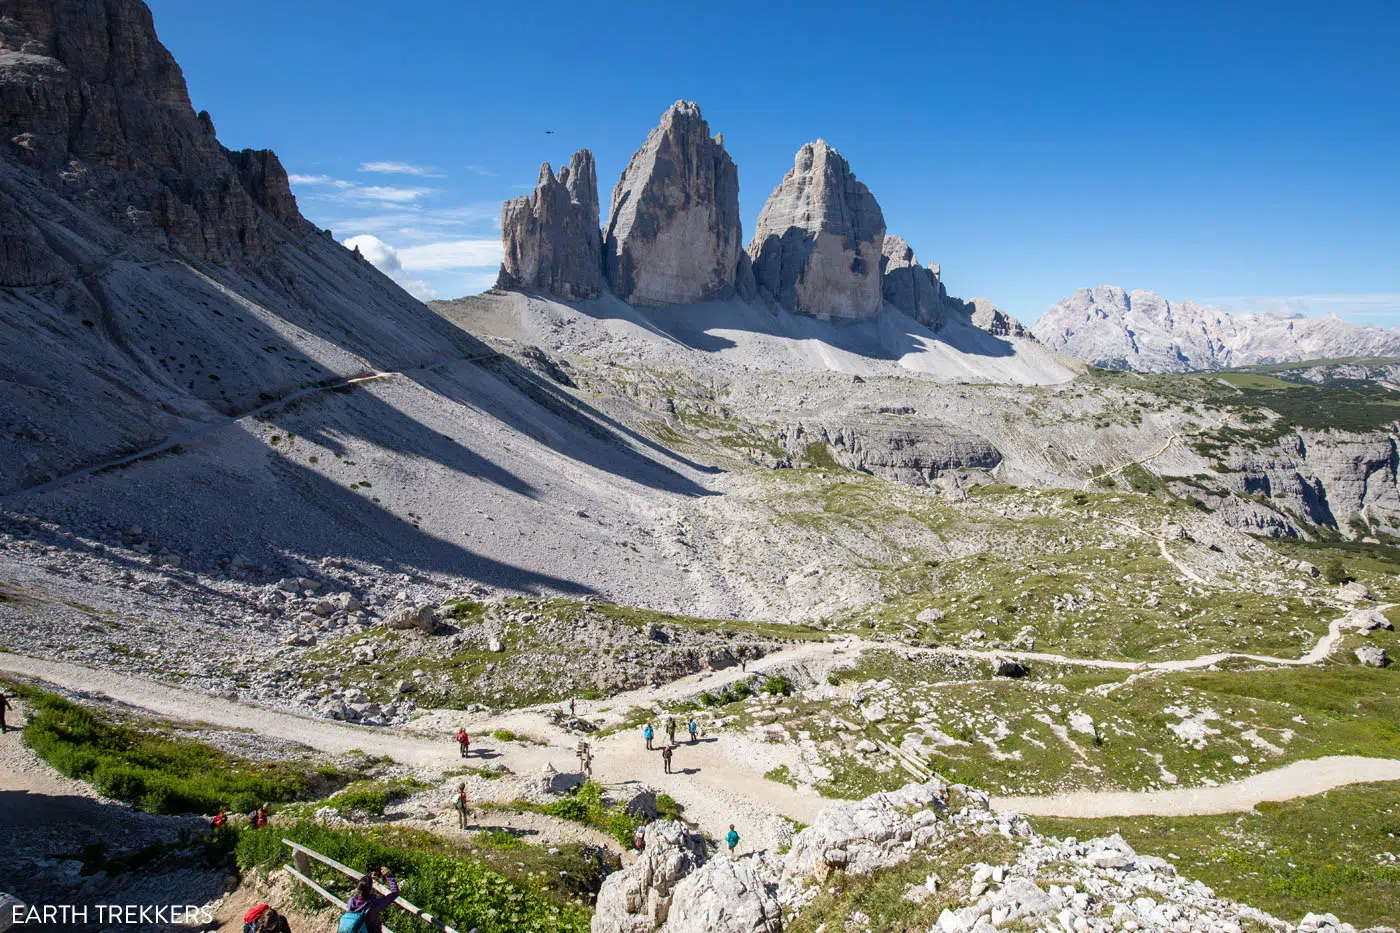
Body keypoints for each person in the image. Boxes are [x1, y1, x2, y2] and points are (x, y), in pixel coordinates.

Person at [342, 867, 398, 933]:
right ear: (371, 890)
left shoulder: (351, 901)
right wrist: (389, 876)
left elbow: (363, 889)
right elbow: (395, 893)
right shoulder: (374, 904)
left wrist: (369, 879)